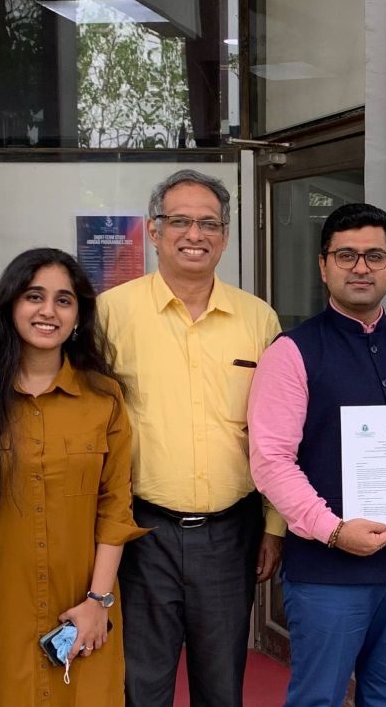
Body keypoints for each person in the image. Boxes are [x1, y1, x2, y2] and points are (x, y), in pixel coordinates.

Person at [248, 203, 386, 706]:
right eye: (346, 255)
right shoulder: (292, 351)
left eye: (375, 255)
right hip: (329, 569)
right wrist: (332, 530)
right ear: (323, 266)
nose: (361, 267)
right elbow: (270, 462)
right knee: (318, 699)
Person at [97, 169, 284, 707]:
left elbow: (273, 434)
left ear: (225, 236)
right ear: (154, 231)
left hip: (231, 535)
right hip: (141, 533)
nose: (194, 234)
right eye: (179, 220)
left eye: (208, 223)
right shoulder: (111, 314)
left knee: (221, 686)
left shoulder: (258, 318)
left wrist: (274, 526)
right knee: (142, 685)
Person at [0, 248, 147, 707]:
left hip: (84, 604)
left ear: (78, 316)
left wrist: (98, 602)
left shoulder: (104, 399)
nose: (48, 311)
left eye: (64, 300)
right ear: (10, 307)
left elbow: (115, 508)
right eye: (33, 296)